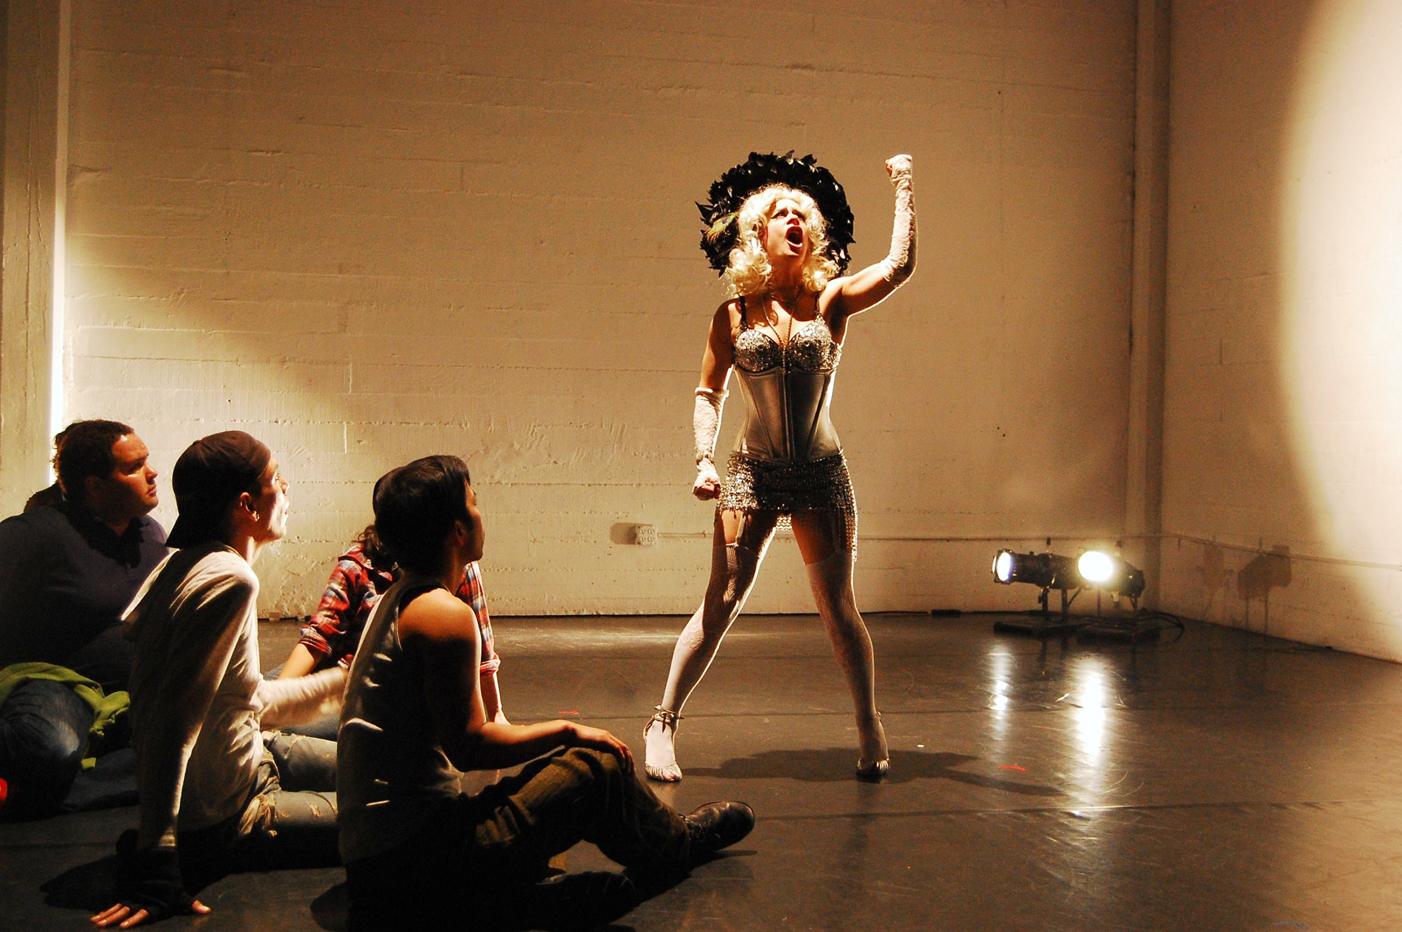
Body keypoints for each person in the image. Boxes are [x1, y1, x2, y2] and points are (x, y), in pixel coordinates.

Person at [338, 455, 755, 931]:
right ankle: (678, 845)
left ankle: (513, 899)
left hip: (379, 869)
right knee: (596, 767)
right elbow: (471, 747)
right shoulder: (441, 616)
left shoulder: (398, 599)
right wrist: (567, 730)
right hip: (415, 865)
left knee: (545, 798)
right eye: (474, 502)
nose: (481, 513)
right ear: (456, 530)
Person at [643, 151, 916, 783]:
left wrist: (904, 185)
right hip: (754, 473)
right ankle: (662, 722)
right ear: (758, 233)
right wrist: (703, 458)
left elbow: (899, 267)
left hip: (821, 472)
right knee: (722, 600)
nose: (794, 219)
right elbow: (707, 393)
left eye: (802, 214)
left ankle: (868, 723)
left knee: (838, 608)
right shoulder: (733, 315)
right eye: (781, 212)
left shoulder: (832, 301)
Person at [92, 431, 345, 928]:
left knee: (386, 766)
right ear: (247, 505)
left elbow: (242, 699)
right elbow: (171, 721)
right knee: (406, 809)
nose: (286, 488)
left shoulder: (185, 562)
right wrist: (159, 856)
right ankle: (199, 848)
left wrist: (340, 684)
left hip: (253, 757)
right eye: (276, 479)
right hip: (230, 816)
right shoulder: (231, 580)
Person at [0, 420, 167, 818]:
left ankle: (39, 794)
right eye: (134, 467)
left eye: (147, 461)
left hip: (132, 690)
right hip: (61, 685)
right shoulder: (37, 533)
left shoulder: (151, 536)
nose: (152, 472)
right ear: (95, 486)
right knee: (50, 746)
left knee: (205, 741)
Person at [276, 524, 508, 727]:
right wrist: (276, 700)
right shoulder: (359, 563)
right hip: (341, 677)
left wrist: (496, 712)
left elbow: (483, 652)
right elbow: (318, 637)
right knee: (261, 695)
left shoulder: (457, 567)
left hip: (377, 698)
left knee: (280, 720)